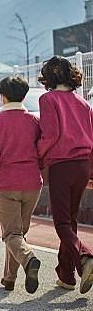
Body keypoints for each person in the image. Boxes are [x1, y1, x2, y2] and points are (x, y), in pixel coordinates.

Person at [0, 76, 42, 293]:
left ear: (2, 96)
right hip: (33, 182)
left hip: (6, 183)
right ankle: (9, 279)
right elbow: (41, 150)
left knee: (11, 234)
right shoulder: (34, 121)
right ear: (24, 95)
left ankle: (29, 259)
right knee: (18, 233)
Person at [37, 56, 93, 294]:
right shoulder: (83, 103)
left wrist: (38, 156)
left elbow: (50, 134)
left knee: (61, 223)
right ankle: (66, 275)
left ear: (48, 77)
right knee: (70, 221)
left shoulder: (47, 99)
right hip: (83, 165)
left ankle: (85, 256)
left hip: (61, 165)